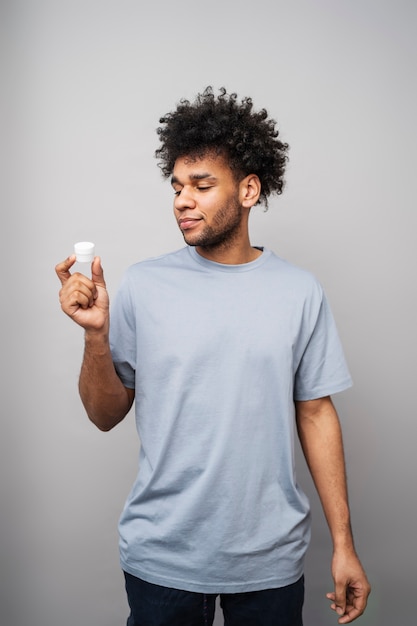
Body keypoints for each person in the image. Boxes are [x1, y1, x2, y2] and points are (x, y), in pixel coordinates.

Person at [56, 87, 370, 625]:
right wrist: (95, 336)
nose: (182, 199)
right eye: (177, 186)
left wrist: (344, 545)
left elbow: (316, 413)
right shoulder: (142, 286)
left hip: (269, 561)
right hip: (162, 558)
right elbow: (105, 415)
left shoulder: (299, 291)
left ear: (249, 190)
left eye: (202, 186)